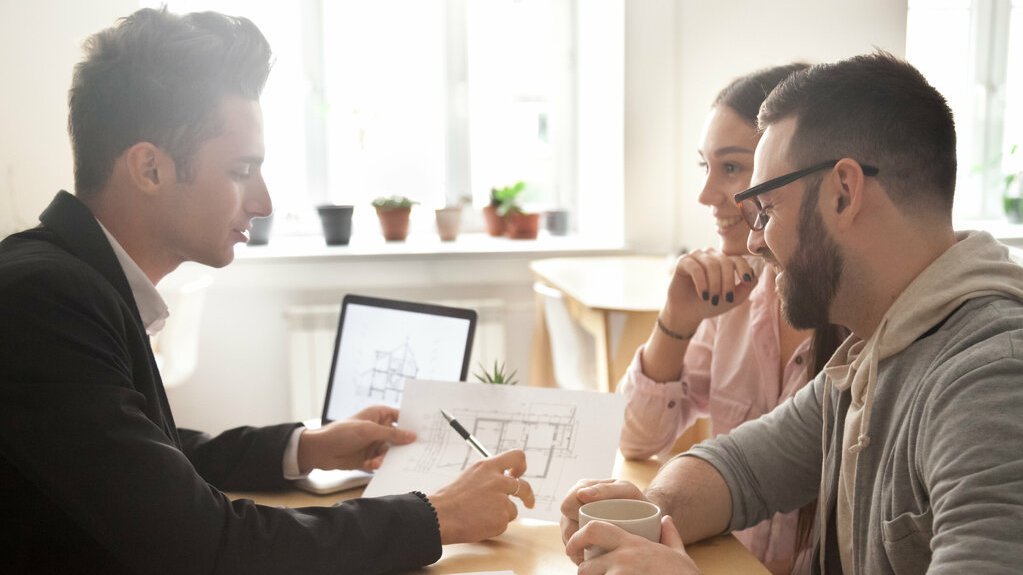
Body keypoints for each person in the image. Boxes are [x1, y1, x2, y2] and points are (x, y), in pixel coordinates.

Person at [0, 8, 534, 574]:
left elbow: (148, 458)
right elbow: (205, 543)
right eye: (240, 170)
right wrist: (435, 515)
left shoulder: (69, 279)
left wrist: (307, 446)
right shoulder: (42, 299)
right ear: (149, 169)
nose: (264, 202)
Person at [561, 51, 1023, 574]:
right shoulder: (875, 350)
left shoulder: (990, 379)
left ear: (843, 193)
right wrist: (644, 516)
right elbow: (738, 468)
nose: (754, 240)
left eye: (768, 208)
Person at [617, 63, 846, 575]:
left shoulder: (861, 317)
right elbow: (637, 438)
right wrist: (675, 320)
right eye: (705, 167)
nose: (707, 195)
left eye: (733, 169)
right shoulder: (736, 292)